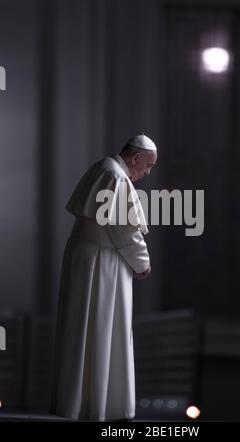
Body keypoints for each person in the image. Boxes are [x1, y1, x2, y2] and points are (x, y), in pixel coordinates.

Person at [50, 134, 158, 422]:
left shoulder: (104, 168)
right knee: (100, 328)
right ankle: (98, 408)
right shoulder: (116, 176)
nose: (147, 173)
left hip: (90, 256)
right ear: (135, 158)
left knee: (86, 330)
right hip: (102, 262)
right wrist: (142, 263)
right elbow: (125, 229)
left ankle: (80, 403)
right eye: (147, 166)